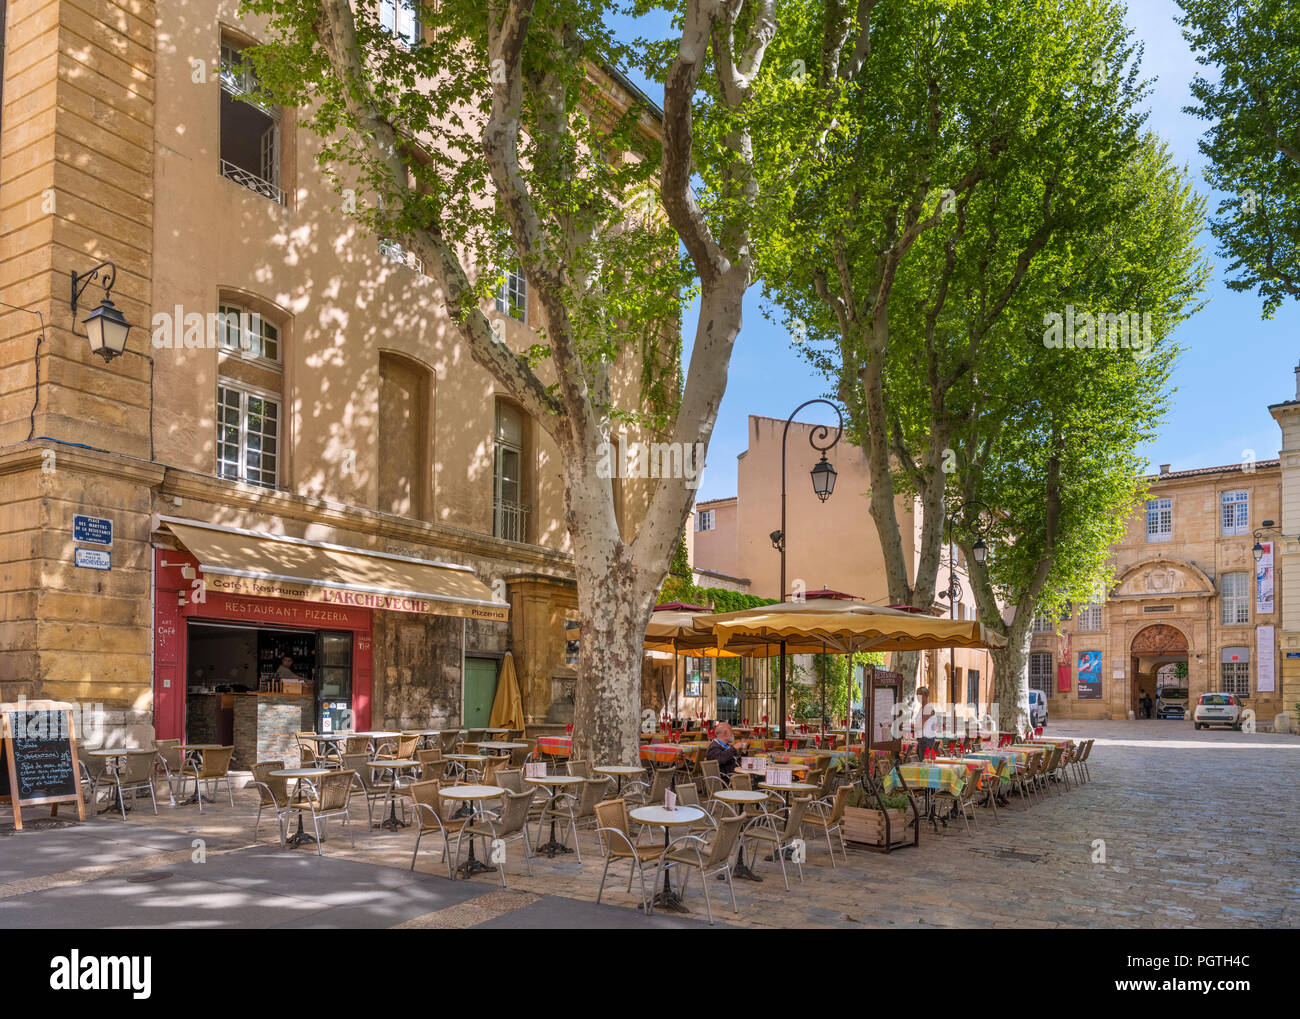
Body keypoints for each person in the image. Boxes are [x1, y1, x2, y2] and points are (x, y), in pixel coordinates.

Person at [915, 686, 939, 758]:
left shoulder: (928, 708)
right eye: (917, 694)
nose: (918, 697)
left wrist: (904, 725)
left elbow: (920, 726)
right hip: (922, 739)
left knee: (924, 764)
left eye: (920, 694)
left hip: (926, 740)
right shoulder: (922, 708)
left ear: (925, 696)